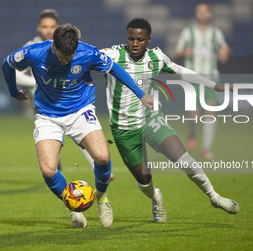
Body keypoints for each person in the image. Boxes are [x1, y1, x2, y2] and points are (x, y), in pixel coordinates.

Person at [2, 24, 153, 228]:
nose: (66, 60)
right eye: (62, 56)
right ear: (53, 45)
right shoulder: (34, 52)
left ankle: (101, 198)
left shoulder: (87, 52)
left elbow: (116, 69)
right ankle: (72, 207)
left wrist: (141, 94)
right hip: (48, 115)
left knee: (102, 157)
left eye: (70, 57)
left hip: (80, 111)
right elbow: (7, 64)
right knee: (48, 170)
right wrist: (14, 92)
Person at [101, 18, 239, 223]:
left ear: (148, 40)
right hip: (123, 129)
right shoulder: (110, 56)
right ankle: (156, 197)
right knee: (144, 182)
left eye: (140, 39)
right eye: (131, 38)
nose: (135, 43)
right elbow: (84, 57)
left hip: (150, 119)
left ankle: (214, 197)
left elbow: (183, 72)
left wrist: (214, 86)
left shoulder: (157, 57)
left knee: (183, 158)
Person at [15, 10, 115, 179]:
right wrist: (35, 82)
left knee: (81, 132)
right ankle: (56, 170)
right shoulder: (31, 47)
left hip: (68, 97)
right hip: (43, 101)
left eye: (52, 26)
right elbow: (16, 73)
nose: (48, 30)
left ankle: (93, 165)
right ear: (39, 27)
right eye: (45, 26)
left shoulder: (67, 47)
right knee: (53, 142)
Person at [175, 3, 230, 159]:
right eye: (199, 11)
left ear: (210, 14)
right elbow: (177, 51)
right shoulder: (188, 32)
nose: (202, 14)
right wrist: (184, 52)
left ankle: (206, 148)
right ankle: (192, 130)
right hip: (192, 76)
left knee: (210, 112)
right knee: (195, 114)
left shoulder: (215, 33)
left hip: (211, 77)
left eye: (205, 11)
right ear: (196, 14)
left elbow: (224, 47)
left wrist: (225, 50)